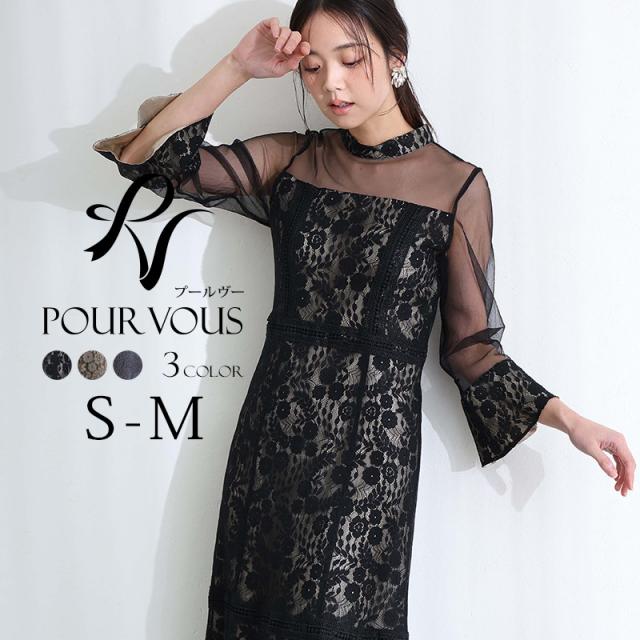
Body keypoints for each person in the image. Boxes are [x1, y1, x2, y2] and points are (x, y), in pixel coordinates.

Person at [92, 2, 636, 638]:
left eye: (351, 60)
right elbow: (149, 160)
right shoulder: (294, 159)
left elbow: (471, 349)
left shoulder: (456, 186)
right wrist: (238, 66)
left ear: (396, 58)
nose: (333, 85)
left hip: (369, 459)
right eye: (313, 68)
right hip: (273, 444)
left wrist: (569, 420)